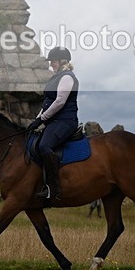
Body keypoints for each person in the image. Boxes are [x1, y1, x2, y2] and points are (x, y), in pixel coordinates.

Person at [28, 46, 79, 200]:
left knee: (44, 146)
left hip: (66, 121)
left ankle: (54, 188)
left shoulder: (67, 77)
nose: (51, 64)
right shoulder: (56, 77)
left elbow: (59, 102)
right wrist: (36, 120)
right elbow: (47, 103)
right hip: (55, 120)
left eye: (53, 61)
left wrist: (42, 119)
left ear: (62, 61)